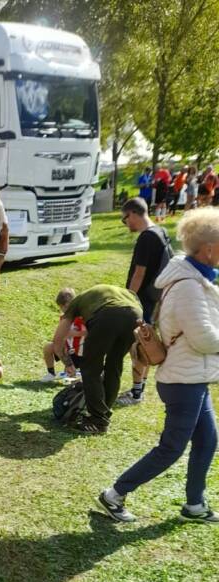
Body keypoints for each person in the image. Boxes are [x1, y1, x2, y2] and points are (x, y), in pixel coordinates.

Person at [98, 208, 219, 524]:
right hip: (183, 381)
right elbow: (204, 338)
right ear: (208, 249)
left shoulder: (199, 280)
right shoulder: (189, 286)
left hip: (193, 377)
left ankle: (195, 505)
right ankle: (114, 494)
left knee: (208, 440)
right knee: (171, 448)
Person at [47, 284, 142, 434]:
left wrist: (68, 363)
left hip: (107, 316)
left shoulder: (77, 303)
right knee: (114, 365)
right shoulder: (105, 294)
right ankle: (103, 413)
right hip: (135, 315)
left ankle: (97, 421)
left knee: (90, 368)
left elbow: (58, 340)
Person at [117, 197, 173, 406]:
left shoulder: (146, 238)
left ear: (132, 214)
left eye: (125, 219)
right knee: (147, 344)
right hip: (155, 298)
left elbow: (139, 273)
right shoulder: (161, 231)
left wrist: (128, 298)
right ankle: (139, 388)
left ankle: (136, 393)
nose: (126, 224)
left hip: (142, 301)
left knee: (139, 347)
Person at [40, 287, 82, 383]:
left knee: (73, 378)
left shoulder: (81, 317)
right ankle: (51, 373)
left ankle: (77, 371)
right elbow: (60, 337)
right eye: (61, 307)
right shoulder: (63, 318)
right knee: (48, 347)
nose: (64, 310)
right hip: (67, 350)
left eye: (66, 307)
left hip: (80, 350)